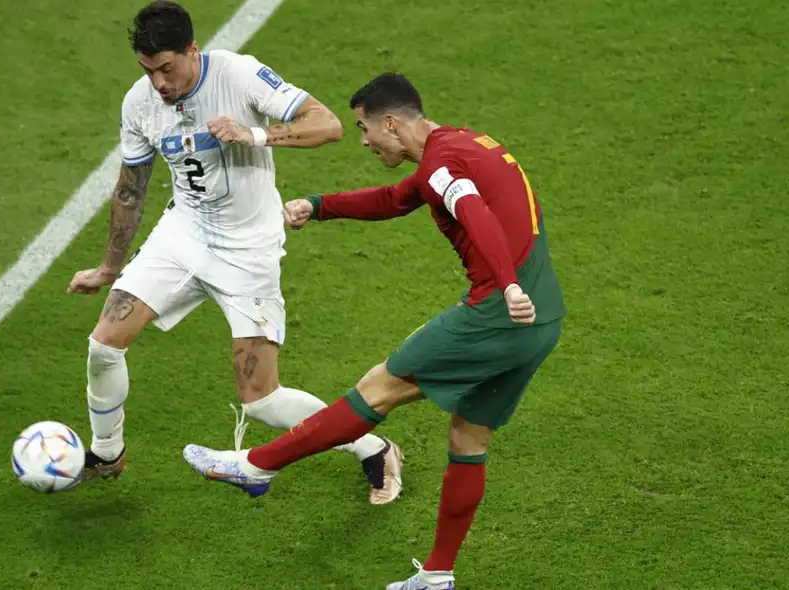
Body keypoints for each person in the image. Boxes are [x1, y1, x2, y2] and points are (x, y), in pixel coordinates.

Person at [182, 72, 568, 590]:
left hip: (501, 310)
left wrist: (508, 285)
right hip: (543, 318)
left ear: (391, 122)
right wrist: (318, 206)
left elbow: (473, 212)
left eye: (365, 129)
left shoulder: (439, 167)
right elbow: (397, 199)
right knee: (468, 437)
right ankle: (436, 578)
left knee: (378, 387)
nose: (363, 141)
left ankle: (258, 465)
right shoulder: (461, 144)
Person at [67, 1, 403, 505]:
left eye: (166, 67)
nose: (159, 83)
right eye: (147, 70)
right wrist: (110, 267)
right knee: (104, 344)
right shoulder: (139, 104)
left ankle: (374, 447)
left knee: (261, 399)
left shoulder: (238, 74)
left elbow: (328, 124)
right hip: (182, 236)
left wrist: (255, 134)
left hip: (248, 252)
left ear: (191, 50)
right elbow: (131, 188)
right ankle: (108, 453)